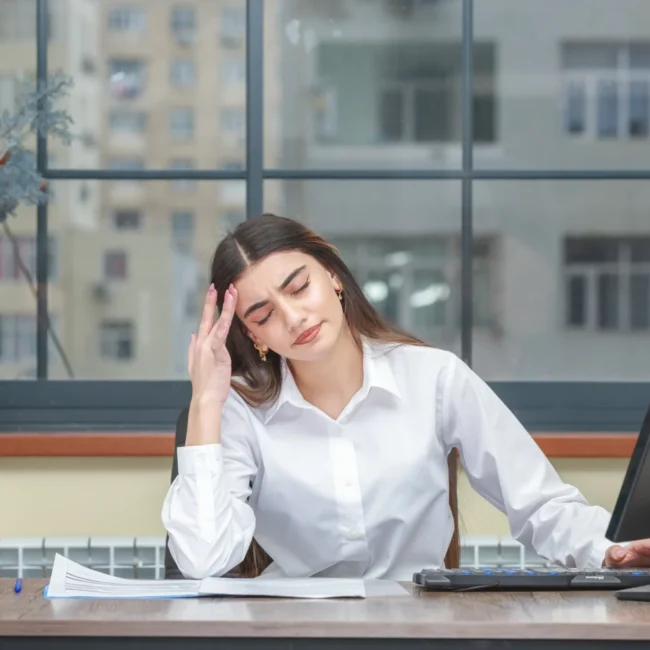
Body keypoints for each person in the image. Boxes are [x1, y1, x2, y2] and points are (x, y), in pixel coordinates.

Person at [162, 213, 650, 580]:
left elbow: (539, 503)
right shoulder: (241, 412)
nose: (293, 318)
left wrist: (606, 551)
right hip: (294, 631)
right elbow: (203, 559)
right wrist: (207, 402)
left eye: (299, 287)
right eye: (263, 314)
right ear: (251, 336)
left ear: (333, 276)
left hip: (420, 626)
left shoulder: (433, 378)